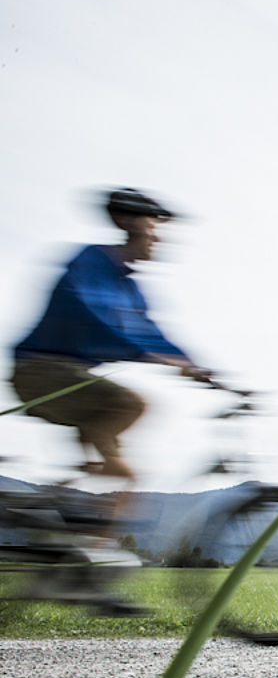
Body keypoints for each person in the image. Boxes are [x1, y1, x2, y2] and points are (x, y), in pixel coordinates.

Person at [11, 188, 212, 484]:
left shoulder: (131, 290)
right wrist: (148, 355)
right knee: (130, 405)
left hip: (71, 376)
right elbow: (90, 313)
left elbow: (150, 334)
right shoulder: (92, 262)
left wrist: (196, 367)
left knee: (124, 479)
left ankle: (71, 507)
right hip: (41, 371)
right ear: (129, 224)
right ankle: (100, 468)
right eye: (153, 227)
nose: (158, 238)